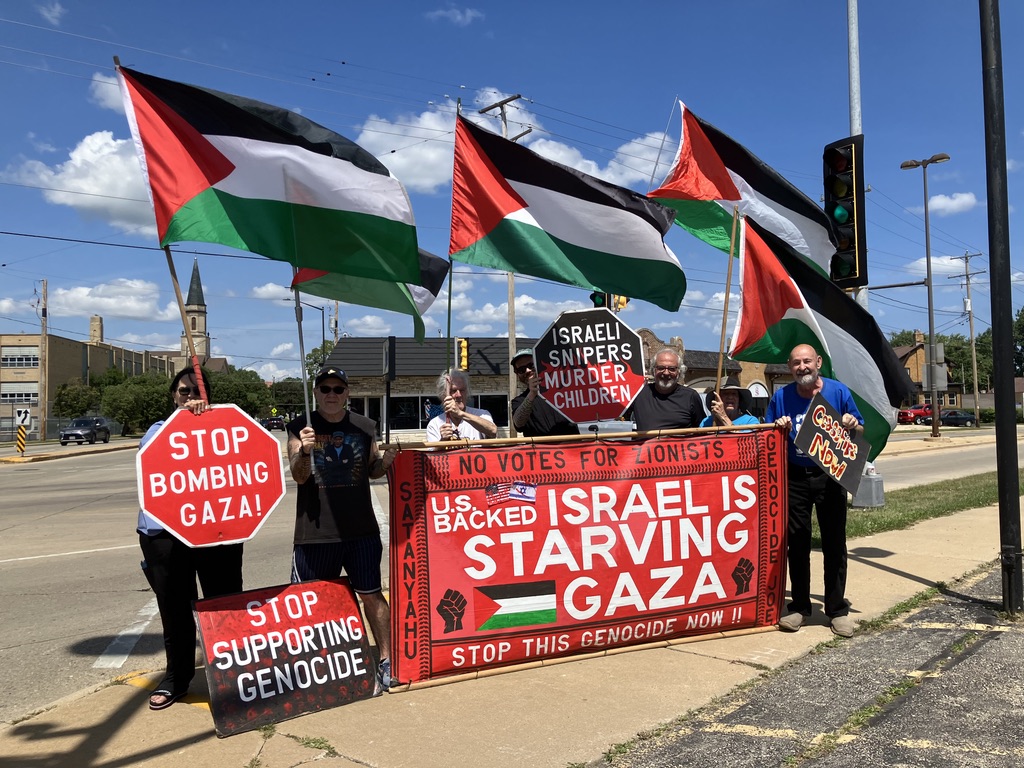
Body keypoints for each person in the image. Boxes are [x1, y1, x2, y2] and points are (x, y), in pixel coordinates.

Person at [137, 367, 244, 711]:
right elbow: (152, 458)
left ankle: (232, 676)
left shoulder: (224, 428)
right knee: (175, 610)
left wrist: (208, 422)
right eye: (184, 391)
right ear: (173, 395)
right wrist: (186, 422)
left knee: (223, 605)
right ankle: (176, 678)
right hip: (164, 535)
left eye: (198, 391)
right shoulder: (158, 430)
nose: (191, 397)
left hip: (216, 531)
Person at [287, 365, 400, 689]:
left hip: (360, 530)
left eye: (338, 389)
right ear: (316, 392)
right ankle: (312, 666)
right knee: (310, 602)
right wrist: (305, 450)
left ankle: (387, 660)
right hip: (315, 533)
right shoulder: (300, 426)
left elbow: (371, 469)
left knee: (372, 596)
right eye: (325, 389)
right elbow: (299, 475)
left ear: (347, 393)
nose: (332, 394)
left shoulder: (365, 426)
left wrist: (385, 463)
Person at [767, 344, 864, 638]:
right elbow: (768, 432)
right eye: (796, 363)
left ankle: (836, 610)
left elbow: (860, 429)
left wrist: (851, 423)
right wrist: (778, 426)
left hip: (830, 475)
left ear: (818, 362)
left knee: (834, 542)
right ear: (789, 367)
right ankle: (799, 607)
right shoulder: (781, 396)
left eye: (807, 361)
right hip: (795, 476)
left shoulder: (838, 392)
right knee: (797, 543)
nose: (802, 367)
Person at [628, 348, 704, 431]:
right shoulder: (639, 393)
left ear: (679, 371)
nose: (666, 373)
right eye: (661, 368)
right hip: (645, 440)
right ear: (653, 370)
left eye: (672, 369)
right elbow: (619, 415)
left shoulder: (690, 396)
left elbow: (703, 430)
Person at [509, 348, 578, 437]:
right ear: (517, 374)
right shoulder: (519, 401)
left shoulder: (564, 389)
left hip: (572, 445)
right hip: (539, 446)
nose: (527, 370)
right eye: (521, 370)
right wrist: (532, 393)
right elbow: (518, 423)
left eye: (531, 365)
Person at [425, 368, 497, 442]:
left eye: (462, 390)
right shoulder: (435, 424)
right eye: (453, 390)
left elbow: (493, 431)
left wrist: (460, 414)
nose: (459, 395)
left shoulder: (481, 415)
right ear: (443, 395)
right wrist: (443, 441)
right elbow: (433, 449)